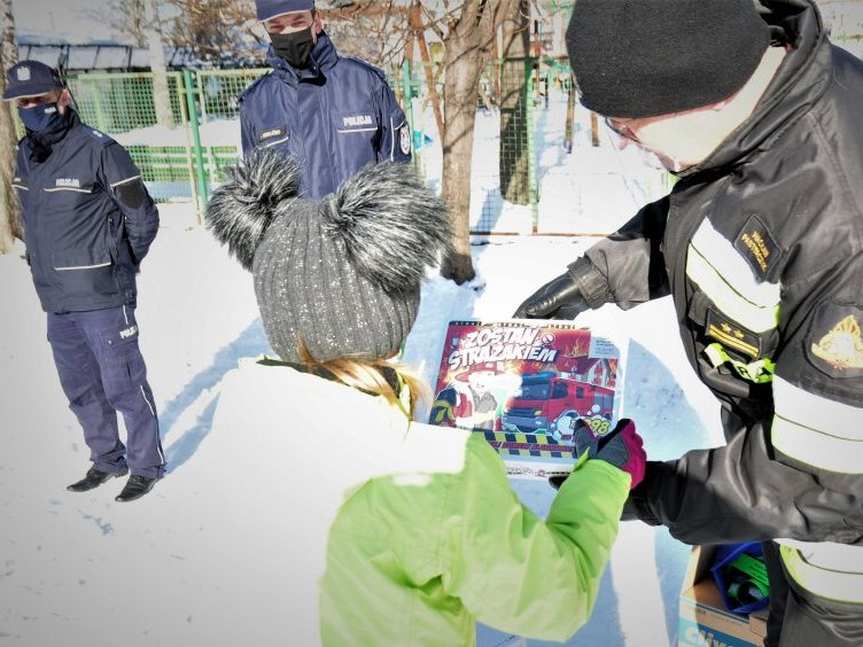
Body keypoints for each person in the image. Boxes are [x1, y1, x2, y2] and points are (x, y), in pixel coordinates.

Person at [514, 1, 863, 644]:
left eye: (627, 123)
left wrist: (644, 490)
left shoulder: (846, 236)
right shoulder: (765, 103)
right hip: (786, 513)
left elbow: (817, 482)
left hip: (845, 575)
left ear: (691, 93)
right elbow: (719, 214)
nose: (622, 140)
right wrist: (596, 278)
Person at [205, 149, 647, 645]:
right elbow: (557, 600)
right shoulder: (431, 474)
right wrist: (606, 478)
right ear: (391, 313)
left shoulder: (233, 426)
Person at [4, 61, 164, 502]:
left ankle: (145, 464)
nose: (32, 109)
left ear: (63, 96)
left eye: (39, 99)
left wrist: (121, 263)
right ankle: (106, 458)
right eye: (24, 103)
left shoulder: (100, 150)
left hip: (102, 295)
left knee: (123, 384)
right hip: (55, 299)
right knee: (80, 387)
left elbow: (143, 216)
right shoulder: (25, 154)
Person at [240, 0, 412, 199]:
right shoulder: (255, 104)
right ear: (267, 32)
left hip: (358, 228)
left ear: (317, 21)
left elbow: (398, 170)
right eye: (277, 27)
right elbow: (256, 191)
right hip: (294, 230)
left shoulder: (366, 84)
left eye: (298, 23)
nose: (288, 34)